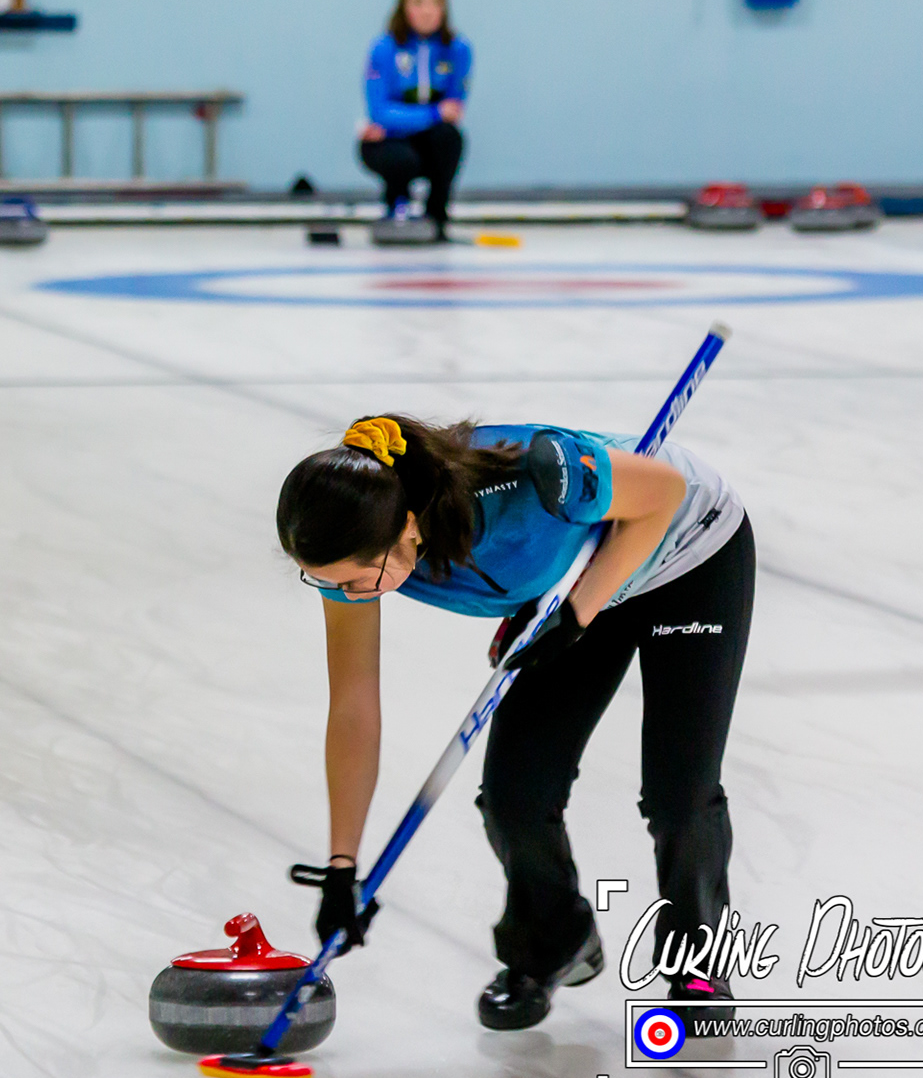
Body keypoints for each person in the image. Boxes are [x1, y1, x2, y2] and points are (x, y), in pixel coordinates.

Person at [277, 415, 753, 1030]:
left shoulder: (536, 477)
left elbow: (663, 492)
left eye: (352, 578)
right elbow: (353, 706)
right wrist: (342, 867)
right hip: (573, 585)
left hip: (686, 554)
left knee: (679, 793)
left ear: (407, 528)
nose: (345, 592)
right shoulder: (352, 553)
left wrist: (578, 613)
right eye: (324, 581)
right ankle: (556, 939)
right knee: (515, 796)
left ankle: (699, 963)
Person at [360, 0, 470, 241]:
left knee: (449, 138)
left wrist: (409, 119)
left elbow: (454, 110)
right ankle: (397, 206)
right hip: (389, 139)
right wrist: (433, 113)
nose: (427, 11)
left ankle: (437, 215)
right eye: (419, 2)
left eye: (435, 2)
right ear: (404, 7)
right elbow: (379, 113)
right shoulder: (384, 48)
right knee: (400, 156)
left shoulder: (458, 50)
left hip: (427, 140)